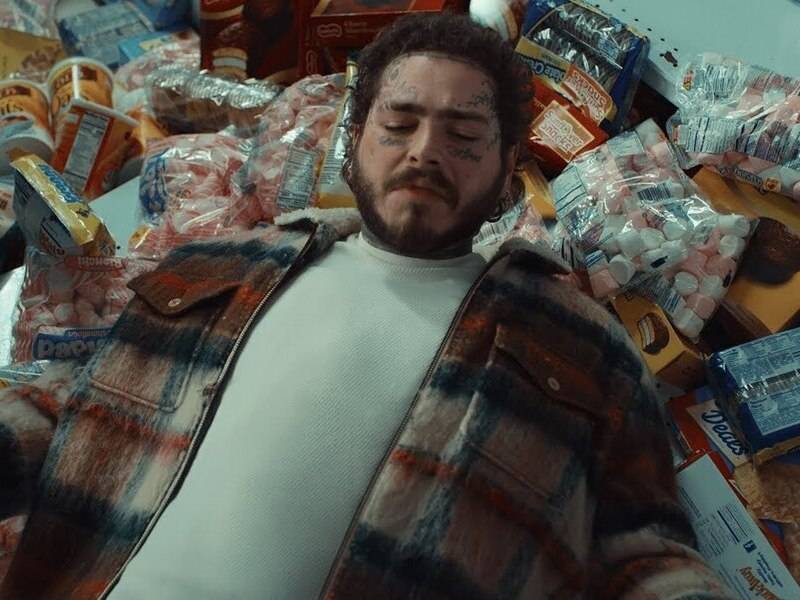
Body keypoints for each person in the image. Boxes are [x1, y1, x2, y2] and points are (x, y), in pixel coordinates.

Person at [0, 12, 733, 600]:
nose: (425, 151)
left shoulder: (579, 344)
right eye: (399, 124)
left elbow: (645, 555)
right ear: (352, 144)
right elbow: (78, 409)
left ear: (508, 169)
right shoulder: (218, 265)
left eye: (464, 135)